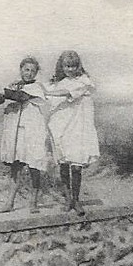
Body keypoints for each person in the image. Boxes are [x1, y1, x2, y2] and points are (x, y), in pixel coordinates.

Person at [46, 51, 100, 216]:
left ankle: (76, 199)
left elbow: (67, 93)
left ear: (79, 66)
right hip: (62, 127)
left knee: (76, 166)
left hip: (79, 129)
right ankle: (68, 198)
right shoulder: (58, 83)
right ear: (61, 67)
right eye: (67, 66)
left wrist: (47, 92)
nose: (70, 69)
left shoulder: (84, 81)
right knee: (64, 164)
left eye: (74, 66)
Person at [0, 56, 50, 212]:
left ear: (36, 73)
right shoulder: (14, 85)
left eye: (32, 71)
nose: (28, 73)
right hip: (17, 130)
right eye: (26, 69)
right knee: (16, 165)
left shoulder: (37, 87)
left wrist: (0, 91)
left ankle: (34, 201)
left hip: (32, 129)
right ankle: (10, 202)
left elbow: (21, 97)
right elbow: (8, 106)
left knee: (34, 165)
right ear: (20, 69)